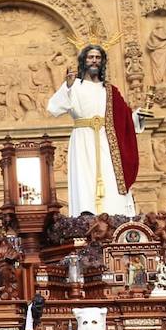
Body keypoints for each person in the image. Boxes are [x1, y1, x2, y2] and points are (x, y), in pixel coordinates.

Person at [46, 46, 146, 216]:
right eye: (90, 57)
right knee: (85, 178)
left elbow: (125, 119)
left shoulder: (110, 90)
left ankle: (114, 215)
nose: (94, 61)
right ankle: (86, 215)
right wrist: (67, 88)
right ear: (83, 60)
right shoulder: (75, 85)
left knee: (110, 177)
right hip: (83, 137)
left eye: (98, 58)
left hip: (107, 140)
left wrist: (140, 116)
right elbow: (53, 108)